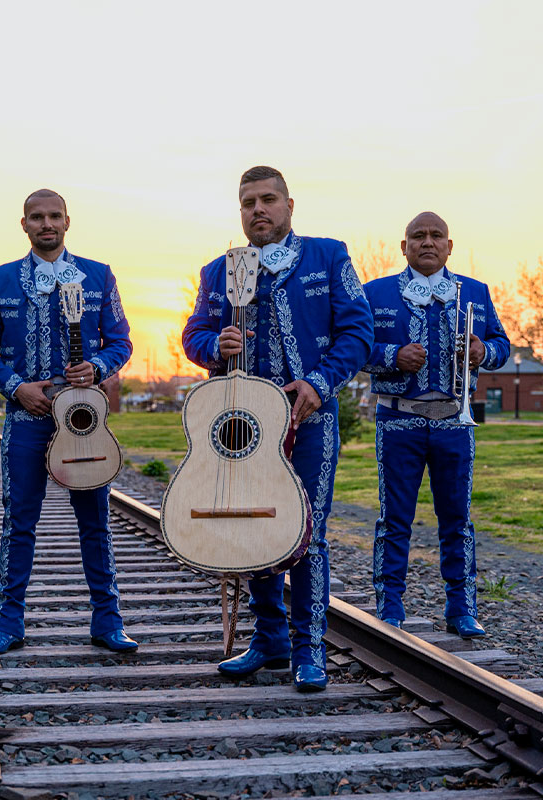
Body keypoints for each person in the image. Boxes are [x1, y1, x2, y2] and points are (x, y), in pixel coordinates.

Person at [182, 166, 374, 691]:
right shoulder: (219, 269)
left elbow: (359, 330)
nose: (258, 210)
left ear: (290, 205)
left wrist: (319, 382)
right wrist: (211, 347)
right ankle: (268, 639)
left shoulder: (329, 255)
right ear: (239, 210)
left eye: (268, 200)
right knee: (255, 525)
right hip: (244, 424)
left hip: (311, 417)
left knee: (306, 531)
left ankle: (309, 649)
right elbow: (194, 333)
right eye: (248, 203)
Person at [0, 189, 136, 655]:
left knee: (95, 522)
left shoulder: (98, 276)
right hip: (27, 416)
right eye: (37, 217)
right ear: (23, 224)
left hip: (84, 418)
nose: (47, 223)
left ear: (67, 221)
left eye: (54, 216)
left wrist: (98, 367)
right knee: (19, 521)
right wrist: (14, 385)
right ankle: (7, 623)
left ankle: (108, 621)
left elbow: (121, 340)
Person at [362, 212, 509, 637]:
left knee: (457, 518)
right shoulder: (376, 293)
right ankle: (389, 605)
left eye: (436, 236)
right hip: (398, 420)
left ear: (449, 245)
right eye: (417, 236)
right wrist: (392, 356)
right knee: (395, 517)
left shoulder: (476, 292)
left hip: (454, 422)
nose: (427, 242)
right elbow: (353, 347)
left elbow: (503, 343)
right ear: (403, 246)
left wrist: (486, 352)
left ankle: (461, 608)